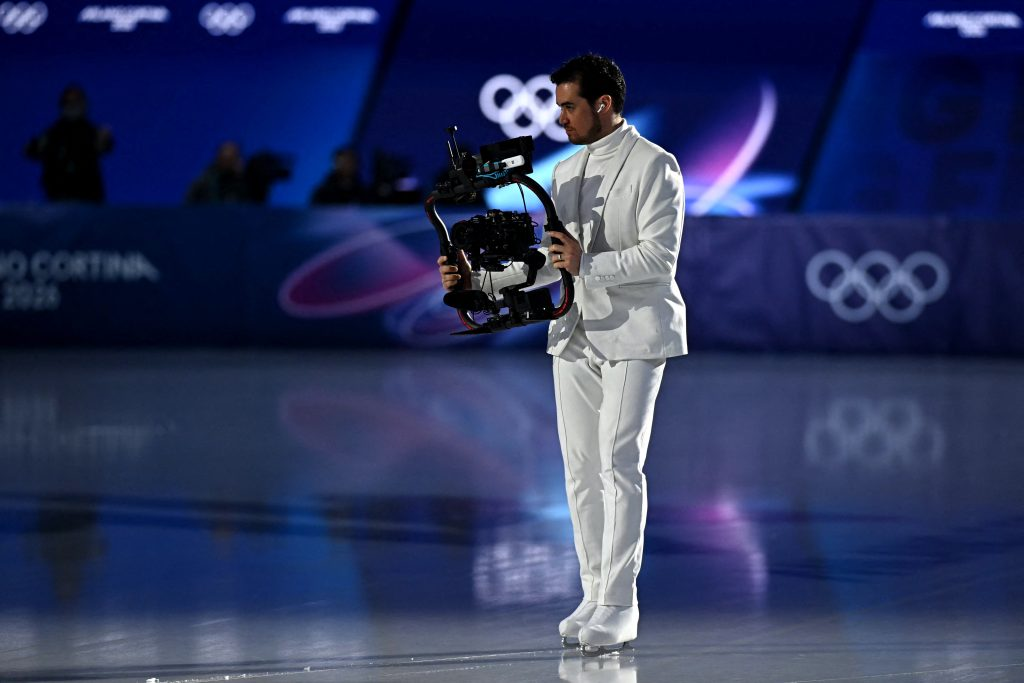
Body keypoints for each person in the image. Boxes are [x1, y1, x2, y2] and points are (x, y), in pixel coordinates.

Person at [438, 54, 686, 655]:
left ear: (604, 104)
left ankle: (621, 605)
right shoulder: (567, 170)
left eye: (569, 106)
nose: (560, 117)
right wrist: (480, 282)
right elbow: (553, 261)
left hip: (634, 333)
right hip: (573, 332)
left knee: (618, 466)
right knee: (579, 471)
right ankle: (594, 594)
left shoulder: (655, 165)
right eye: (558, 106)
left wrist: (588, 263)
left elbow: (660, 258)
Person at [25, 84, 114, 203]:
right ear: (62, 105)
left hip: (89, 197)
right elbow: (30, 150)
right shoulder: (52, 134)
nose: (72, 106)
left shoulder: (92, 132)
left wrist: (103, 142)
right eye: (68, 102)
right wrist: (39, 147)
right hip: (58, 197)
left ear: (84, 105)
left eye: (77, 102)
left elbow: (106, 147)